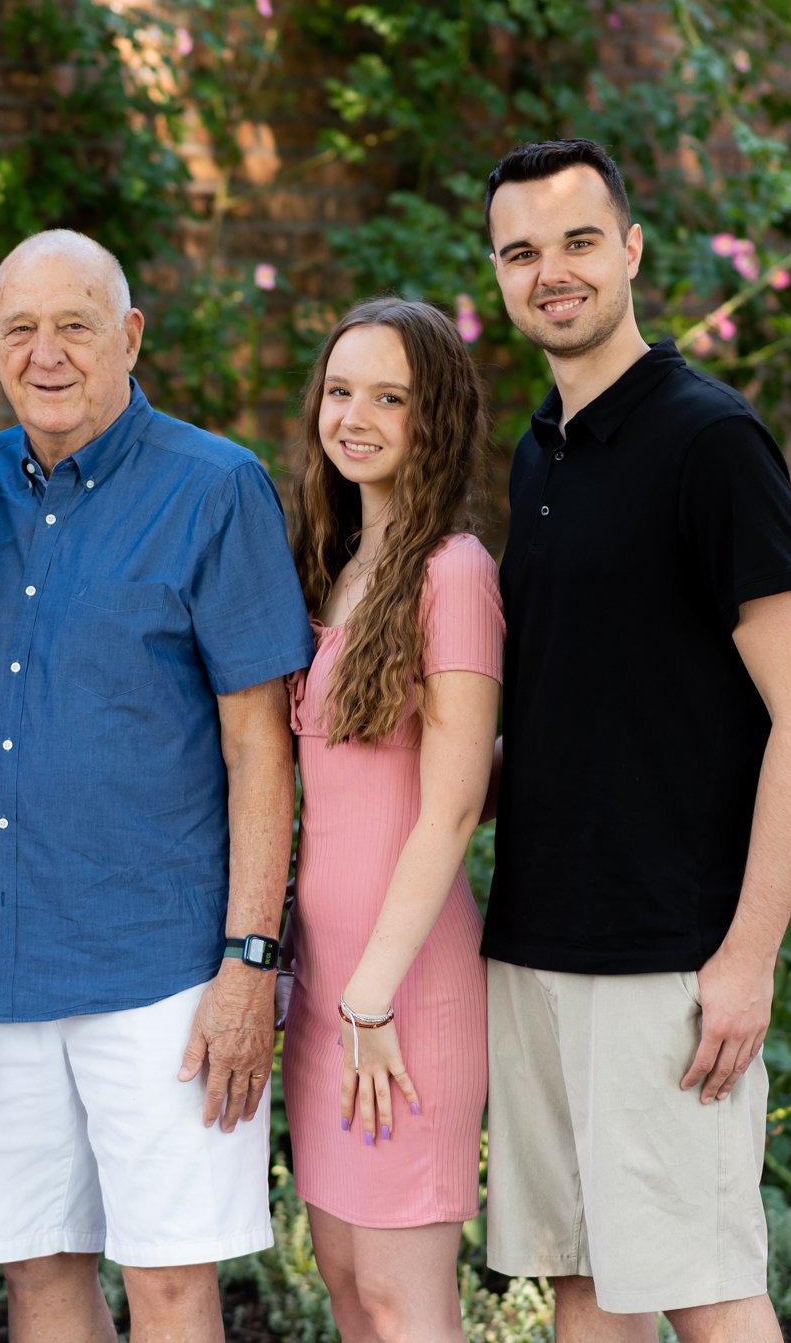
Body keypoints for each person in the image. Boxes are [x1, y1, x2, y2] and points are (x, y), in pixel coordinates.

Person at [0, 229, 314, 1343]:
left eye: (75, 325)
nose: (47, 353)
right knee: (36, 1273)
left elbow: (259, 748)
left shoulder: (214, 485)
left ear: (129, 336)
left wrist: (248, 962)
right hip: (3, 967)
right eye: (22, 329)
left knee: (171, 1281)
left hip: (165, 974)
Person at [479, 137, 791, 1341]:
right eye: (521, 251)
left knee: (702, 1286)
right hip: (534, 945)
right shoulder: (540, 452)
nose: (552, 272)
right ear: (498, 275)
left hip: (666, 959)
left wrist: (745, 953)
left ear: (630, 250)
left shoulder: (707, 441)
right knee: (582, 1284)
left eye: (578, 241)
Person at [282, 297, 501, 1341]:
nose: (354, 414)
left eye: (388, 396)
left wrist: (371, 993)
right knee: (341, 1285)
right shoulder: (334, 568)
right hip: (327, 990)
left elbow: (453, 801)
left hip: (402, 988)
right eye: (339, 390)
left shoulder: (451, 572)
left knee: (402, 1301)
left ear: (434, 419)